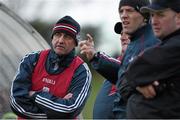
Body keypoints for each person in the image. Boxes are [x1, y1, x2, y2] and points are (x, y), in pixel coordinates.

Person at [80, 0, 160, 118]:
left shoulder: (152, 43)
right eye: (121, 11)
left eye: (129, 10)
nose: (123, 15)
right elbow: (124, 77)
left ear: (144, 14)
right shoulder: (133, 48)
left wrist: (96, 56)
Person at [10, 16, 92, 119]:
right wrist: (57, 111)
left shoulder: (81, 70)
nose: (61, 40)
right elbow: (16, 103)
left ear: (75, 43)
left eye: (67, 36)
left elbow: (71, 109)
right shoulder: (31, 60)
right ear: (52, 38)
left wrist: (35, 95)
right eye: (58, 35)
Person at [123, 0, 180, 118]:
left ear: (178, 18)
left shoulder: (176, 45)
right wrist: (137, 83)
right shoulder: (167, 43)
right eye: (152, 15)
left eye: (160, 14)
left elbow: (135, 69)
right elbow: (124, 84)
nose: (153, 21)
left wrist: (135, 80)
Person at [93, 22, 130, 119]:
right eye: (121, 34)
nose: (122, 37)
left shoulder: (139, 63)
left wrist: (95, 56)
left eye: (127, 32)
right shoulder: (116, 64)